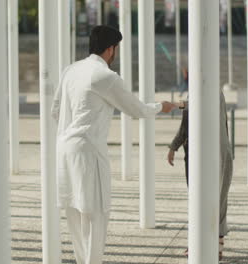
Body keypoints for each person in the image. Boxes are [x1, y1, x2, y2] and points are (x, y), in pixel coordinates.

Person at [51, 25, 176, 264]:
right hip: (88, 152)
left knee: (74, 216)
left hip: (64, 150)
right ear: (111, 49)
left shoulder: (70, 70)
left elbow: (55, 110)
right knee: (96, 215)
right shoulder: (105, 76)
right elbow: (136, 109)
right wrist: (162, 106)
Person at [167, 90, 233, 260]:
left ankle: (198, 243)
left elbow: (186, 123)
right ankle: (217, 245)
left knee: (198, 200)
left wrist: (174, 146)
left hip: (201, 155)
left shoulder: (197, 91)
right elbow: (224, 123)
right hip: (222, 151)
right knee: (219, 199)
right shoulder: (217, 91)